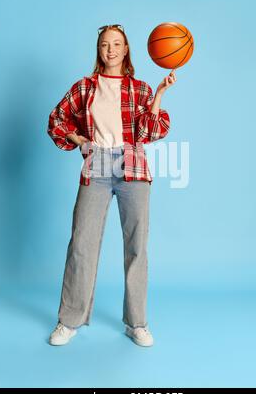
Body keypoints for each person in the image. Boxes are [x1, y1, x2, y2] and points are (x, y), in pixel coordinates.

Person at [47, 24, 177, 347]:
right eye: (105, 44)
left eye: (117, 44)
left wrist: (159, 94)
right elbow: (56, 121)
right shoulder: (84, 88)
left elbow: (153, 130)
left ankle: (137, 323)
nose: (111, 49)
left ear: (126, 49)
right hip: (97, 165)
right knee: (81, 243)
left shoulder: (141, 89)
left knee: (137, 247)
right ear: (99, 50)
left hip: (133, 166)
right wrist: (80, 140)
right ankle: (69, 320)